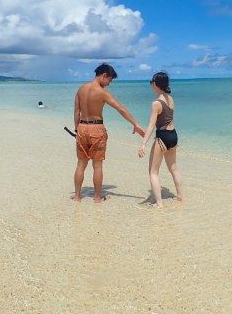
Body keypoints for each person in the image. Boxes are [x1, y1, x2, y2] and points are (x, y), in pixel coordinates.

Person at [72, 63, 144, 203]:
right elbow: (121, 109)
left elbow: (76, 112)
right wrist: (135, 124)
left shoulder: (81, 89)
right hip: (96, 129)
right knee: (97, 165)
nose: (109, 84)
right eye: (109, 80)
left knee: (81, 164)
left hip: (81, 128)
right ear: (104, 75)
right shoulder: (102, 92)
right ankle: (97, 197)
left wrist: (77, 130)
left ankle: (77, 196)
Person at [138, 71, 183, 207]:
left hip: (162, 137)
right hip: (173, 135)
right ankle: (180, 196)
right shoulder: (171, 99)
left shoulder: (156, 103)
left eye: (152, 83)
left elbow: (151, 125)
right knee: (173, 168)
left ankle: (159, 204)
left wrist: (143, 144)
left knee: (153, 172)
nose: (151, 85)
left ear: (156, 85)